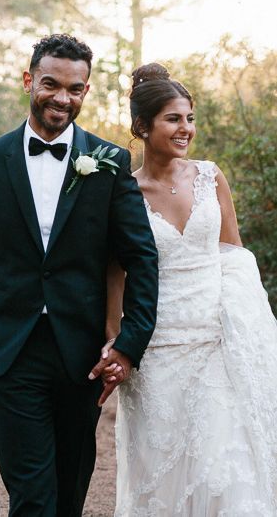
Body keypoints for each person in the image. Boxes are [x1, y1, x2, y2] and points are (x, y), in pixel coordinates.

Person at [0, 34, 159, 517]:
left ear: (85, 91)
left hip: (82, 355)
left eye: (75, 88)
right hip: (12, 352)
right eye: (51, 84)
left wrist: (128, 343)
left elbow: (141, 257)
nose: (62, 97)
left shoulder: (109, 162)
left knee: (68, 495)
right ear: (29, 81)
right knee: (33, 497)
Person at [109, 62, 277, 514]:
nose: (186, 129)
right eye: (173, 119)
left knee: (224, 465)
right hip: (156, 348)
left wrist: (250, 331)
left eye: (190, 118)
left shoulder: (210, 176)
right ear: (142, 126)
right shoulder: (124, 192)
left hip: (216, 342)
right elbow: (115, 275)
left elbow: (234, 255)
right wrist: (115, 344)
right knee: (161, 474)